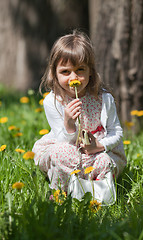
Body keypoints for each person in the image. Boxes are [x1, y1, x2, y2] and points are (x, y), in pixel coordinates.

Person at [32, 30, 127, 192]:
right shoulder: (53, 101)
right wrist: (69, 124)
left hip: (96, 151)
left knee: (104, 161)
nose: (73, 78)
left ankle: (95, 193)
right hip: (67, 145)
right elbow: (61, 140)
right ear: (54, 73)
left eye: (80, 70)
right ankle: (61, 194)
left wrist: (100, 146)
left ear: (90, 70)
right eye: (65, 72)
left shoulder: (104, 99)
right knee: (61, 153)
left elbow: (116, 132)